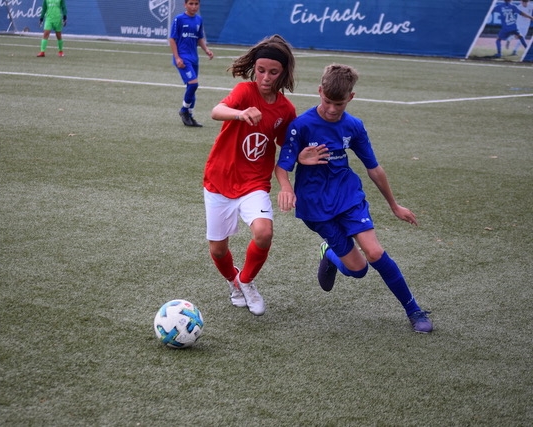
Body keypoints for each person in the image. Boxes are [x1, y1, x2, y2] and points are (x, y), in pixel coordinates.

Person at [274, 63, 433, 333]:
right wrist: (286, 187)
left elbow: (374, 168)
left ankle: (414, 310)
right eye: (327, 101)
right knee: (358, 270)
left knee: (374, 252)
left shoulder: (354, 126)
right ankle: (329, 254)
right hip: (315, 205)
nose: (332, 109)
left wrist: (394, 205)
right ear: (319, 91)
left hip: (348, 196)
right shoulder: (301, 126)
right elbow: (282, 166)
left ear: (351, 97)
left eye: (339, 104)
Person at [203, 34, 297, 316]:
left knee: (264, 233)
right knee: (218, 250)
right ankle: (233, 281)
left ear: (283, 73)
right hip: (219, 179)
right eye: (261, 70)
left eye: (273, 72)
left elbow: (286, 147)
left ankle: (246, 281)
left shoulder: (285, 110)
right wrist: (239, 113)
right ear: (254, 68)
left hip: (254, 182)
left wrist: (297, 162)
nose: (265, 77)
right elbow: (216, 111)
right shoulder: (244, 92)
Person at [169, 0, 214, 127]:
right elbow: (172, 39)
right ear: (185, 5)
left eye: (196, 4)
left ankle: (189, 115)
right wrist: (177, 58)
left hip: (194, 58)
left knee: (191, 87)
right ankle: (184, 110)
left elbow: (199, 38)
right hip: (183, 58)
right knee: (194, 84)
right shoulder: (179, 19)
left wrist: (206, 50)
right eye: (191, 4)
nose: (194, 6)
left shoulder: (199, 19)